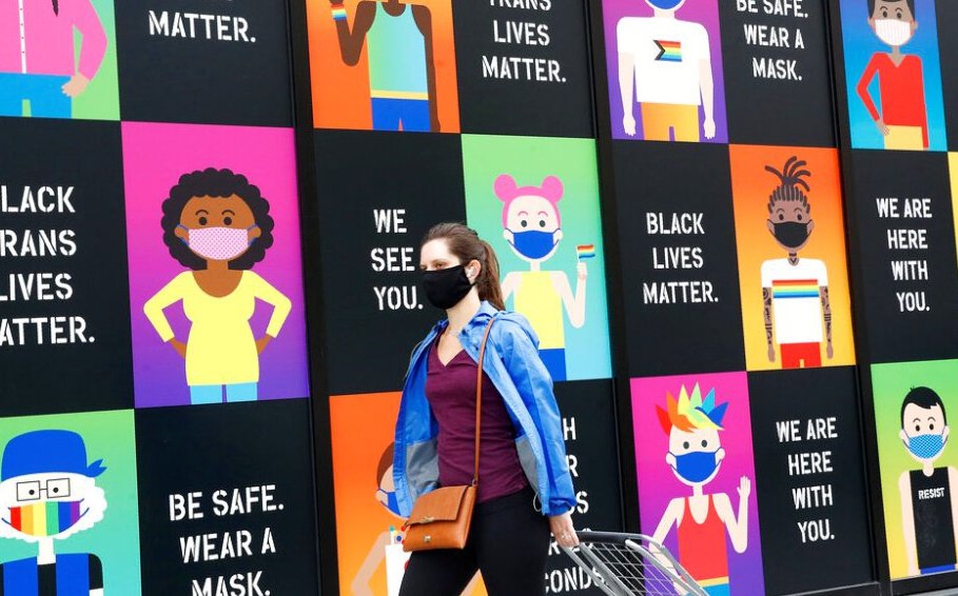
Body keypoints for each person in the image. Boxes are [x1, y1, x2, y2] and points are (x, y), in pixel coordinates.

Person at [393, 222, 578, 595]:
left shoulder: (506, 334)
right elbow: (423, 434)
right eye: (424, 268)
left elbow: (543, 419)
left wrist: (558, 505)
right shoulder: (427, 348)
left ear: (471, 269)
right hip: (448, 508)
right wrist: (421, 498)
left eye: (440, 265)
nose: (430, 276)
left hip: (509, 509)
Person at [144, 168, 292, 405]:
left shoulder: (249, 281)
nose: (216, 230)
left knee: (247, 415)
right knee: (203, 416)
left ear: (254, 232)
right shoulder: (185, 283)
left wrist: (264, 341)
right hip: (201, 364)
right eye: (202, 221)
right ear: (181, 233)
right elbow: (152, 308)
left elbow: (283, 304)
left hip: (243, 362)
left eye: (228, 220)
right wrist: (175, 343)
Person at [652, 384, 751, 596]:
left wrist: (744, 500)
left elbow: (740, 544)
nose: (695, 453)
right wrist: (675, 578)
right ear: (671, 459)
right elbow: (653, 545)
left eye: (704, 443)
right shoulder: (677, 506)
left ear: (719, 453)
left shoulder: (721, 501)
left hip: (720, 586)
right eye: (686, 446)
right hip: (689, 587)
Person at [496, 174, 588, 382]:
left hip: (555, 350)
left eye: (542, 222)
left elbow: (577, 319)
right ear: (508, 233)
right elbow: (491, 316)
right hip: (522, 350)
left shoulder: (558, 277)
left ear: (558, 233)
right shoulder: (513, 278)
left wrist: (582, 280)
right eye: (523, 222)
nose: (533, 230)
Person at [0, 430, 108, 595]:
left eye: (57, 489)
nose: (43, 504)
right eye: (30, 492)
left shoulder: (88, 565)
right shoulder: (7, 573)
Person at [761, 156, 833, 369]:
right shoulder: (769, 268)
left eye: (799, 217)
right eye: (781, 217)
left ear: (810, 225)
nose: (791, 224)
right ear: (770, 226)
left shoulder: (817, 267)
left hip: (813, 340)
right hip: (786, 342)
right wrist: (770, 345)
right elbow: (767, 307)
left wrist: (829, 342)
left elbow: (826, 305)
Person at [329, 0, 440, 132]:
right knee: (385, 143)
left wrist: (434, 114)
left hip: (417, 100)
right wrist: (337, 6)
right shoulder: (368, 9)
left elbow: (429, 65)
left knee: (418, 144)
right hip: (383, 98)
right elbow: (350, 57)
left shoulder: (421, 13)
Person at [617, 0, 716, 142]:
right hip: (653, 105)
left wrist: (709, 117)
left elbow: (705, 77)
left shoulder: (696, 32)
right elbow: (625, 72)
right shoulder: (631, 28)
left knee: (689, 152)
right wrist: (627, 113)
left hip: (686, 107)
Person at [0, 0, 107, 118]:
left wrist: (84, 76)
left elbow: (95, 35)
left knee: (55, 128)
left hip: (53, 82)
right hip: (5, 80)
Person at [897, 386, 958, 576]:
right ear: (904, 436)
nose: (925, 435)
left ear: (945, 432)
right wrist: (911, 566)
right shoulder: (906, 480)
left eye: (931, 426)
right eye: (916, 427)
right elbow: (908, 525)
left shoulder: (951, 474)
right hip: (922, 566)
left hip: (952, 562)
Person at [855, 0, 928, 150]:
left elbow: (920, 103)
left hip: (916, 129)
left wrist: (926, 142)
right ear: (871, 21)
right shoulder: (879, 59)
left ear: (914, 24)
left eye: (899, 14)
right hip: (892, 128)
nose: (893, 21)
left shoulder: (915, 62)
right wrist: (877, 120)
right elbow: (861, 88)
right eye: (884, 13)